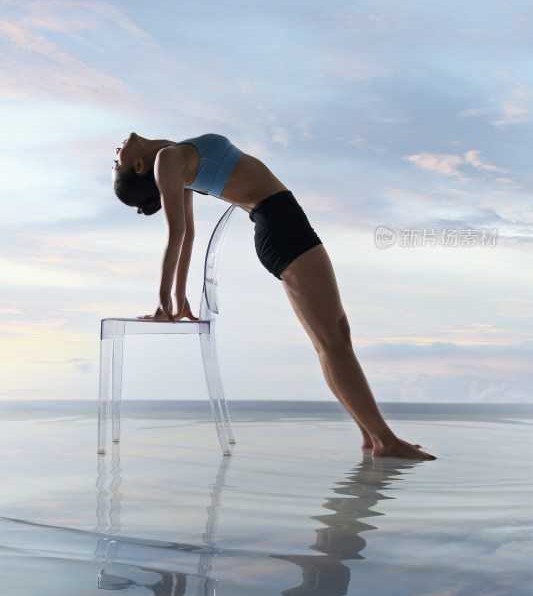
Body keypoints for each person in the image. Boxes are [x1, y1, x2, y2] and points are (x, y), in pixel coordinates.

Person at [112, 132, 436, 461]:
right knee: (334, 339)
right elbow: (177, 233)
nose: (116, 153)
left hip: (280, 223)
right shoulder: (168, 160)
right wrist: (166, 296)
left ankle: (371, 438)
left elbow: (189, 234)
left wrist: (180, 297)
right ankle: (385, 441)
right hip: (280, 225)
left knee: (331, 341)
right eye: (116, 164)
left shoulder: (171, 155)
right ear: (139, 166)